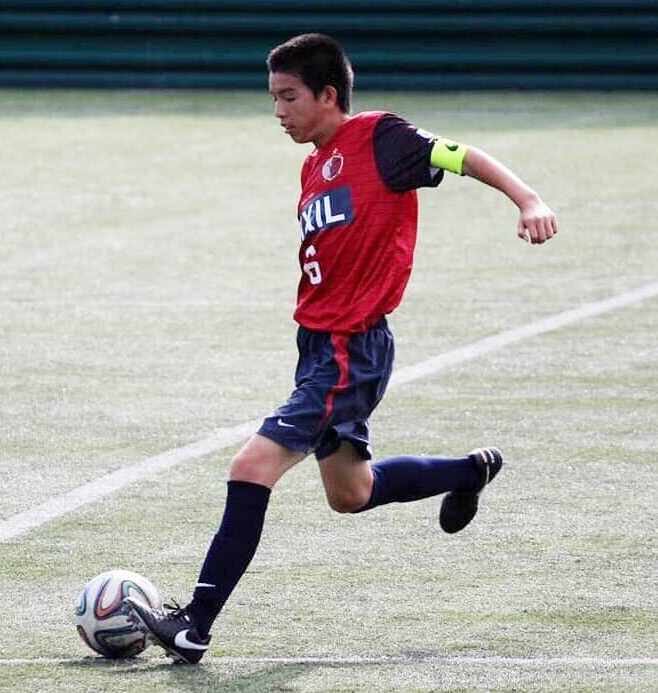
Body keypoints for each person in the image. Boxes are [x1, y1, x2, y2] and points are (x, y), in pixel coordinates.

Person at [124, 33, 557, 664]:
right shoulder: (313, 164)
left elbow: (463, 155)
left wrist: (528, 199)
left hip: (351, 347)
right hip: (319, 347)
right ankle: (470, 471)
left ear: (329, 95)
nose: (278, 112)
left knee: (252, 467)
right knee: (348, 493)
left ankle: (195, 626)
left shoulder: (382, 137)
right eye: (273, 98)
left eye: (289, 97)